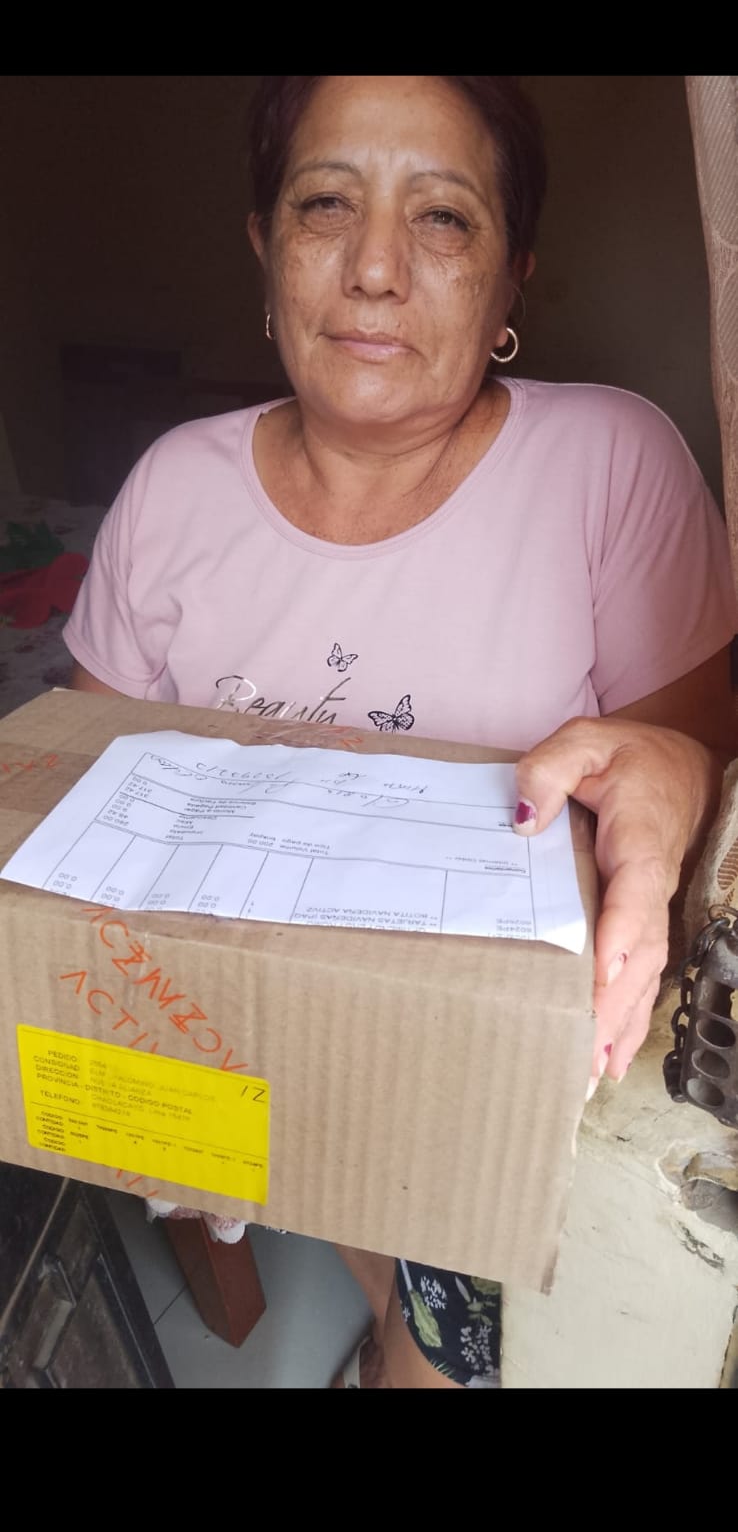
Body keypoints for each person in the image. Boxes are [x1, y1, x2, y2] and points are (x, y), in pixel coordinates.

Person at [63, 76, 737, 1388]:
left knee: (448, 1339)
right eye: (326, 203)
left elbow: (692, 802)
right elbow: (86, 802)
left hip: (503, 1073)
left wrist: (672, 769)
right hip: (235, 1027)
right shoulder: (170, 491)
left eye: (441, 217)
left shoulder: (611, 463)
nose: (375, 268)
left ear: (510, 274)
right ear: (265, 248)